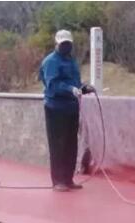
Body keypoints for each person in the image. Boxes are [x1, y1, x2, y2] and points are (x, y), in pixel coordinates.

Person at [39, 29, 95, 192]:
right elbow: (53, 84)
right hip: (56, 107)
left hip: (71, 107)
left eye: (68, 43)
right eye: (63, 43)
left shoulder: (71, 61)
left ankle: (68, 179)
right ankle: (58, 180)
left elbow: (74, 82)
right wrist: (70, 89)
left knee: (71, 144)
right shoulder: (51, 61)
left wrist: (83, 88)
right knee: (58, 144)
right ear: (57, 43)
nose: (66, 46)